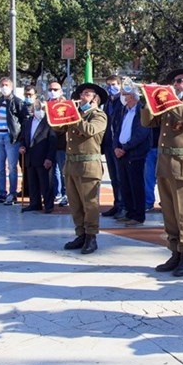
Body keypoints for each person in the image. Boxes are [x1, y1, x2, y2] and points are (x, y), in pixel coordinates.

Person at [141, 69, 183, 277]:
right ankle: (174, 252)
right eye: (174, 81)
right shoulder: (169, 106)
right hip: (165, 164)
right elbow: (147, 122)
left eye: (179, 82)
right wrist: (148, 99)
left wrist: (171, 99)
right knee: (169, 213)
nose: (174, 84)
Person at [61, 83, 108, 255]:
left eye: (87, 94)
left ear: (96, 99)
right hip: (72, 165)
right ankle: (80, 233)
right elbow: (58, 129)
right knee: (75, 204)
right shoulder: (77, 115)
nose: (82, 96)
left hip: (89, 166)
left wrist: (74, 116)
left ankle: (91, 236)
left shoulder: (99, 116)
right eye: (82, 93)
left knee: (90, 205)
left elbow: (89, 130)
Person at [113, 87, 150, 226]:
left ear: (133, 96)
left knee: (136, 185)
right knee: (125, 185)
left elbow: (142, 133)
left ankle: (138, 215)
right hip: (121, 153)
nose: (122, 96)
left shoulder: (142, 110)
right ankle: (129, 212)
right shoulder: (123, 110)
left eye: (125, 94)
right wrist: (116, 146)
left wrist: (125, 147)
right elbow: (117, 129)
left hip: (135, 154)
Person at [0, 77, 28, 205]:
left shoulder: (17, 102)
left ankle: (12, 193)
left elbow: (24, 119)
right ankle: (1, 193)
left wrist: (20, 137)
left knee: (12, 167)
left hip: (11, 137)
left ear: (11, 87)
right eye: (2, 84)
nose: (4, 87)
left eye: (6, 85)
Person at [18, 98, 56, 213]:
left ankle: (49, 205)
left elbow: (52, 142)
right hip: (30, 157)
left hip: (43, 157)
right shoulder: (28, 122)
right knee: (32, 182)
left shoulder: (49, 122)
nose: (38, 110)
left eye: (40, 108)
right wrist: (22, 146)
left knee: (46, 183)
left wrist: (49, 158)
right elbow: (23, 137)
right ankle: (35, 203)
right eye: (36, 108)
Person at [100, 75, 125, 220]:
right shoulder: (108, 102)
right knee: (114, 177)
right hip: (109, 143)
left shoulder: (122, 102)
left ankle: (123, 206)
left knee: (121, 178)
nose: (111, 87)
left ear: (120, 85)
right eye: (108, 85)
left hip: (119, 144)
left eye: (114, 84)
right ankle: (117, 204)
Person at [46, 81, 68, 206]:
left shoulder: (64, 105)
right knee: (52, 171)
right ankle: (56, 193)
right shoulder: (45, 104)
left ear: (61, 91)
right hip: (47, 143)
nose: (52, 91)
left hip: (60, 143)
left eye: (55, 89)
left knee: (63, 169)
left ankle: (65, 194)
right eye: (50, 89)